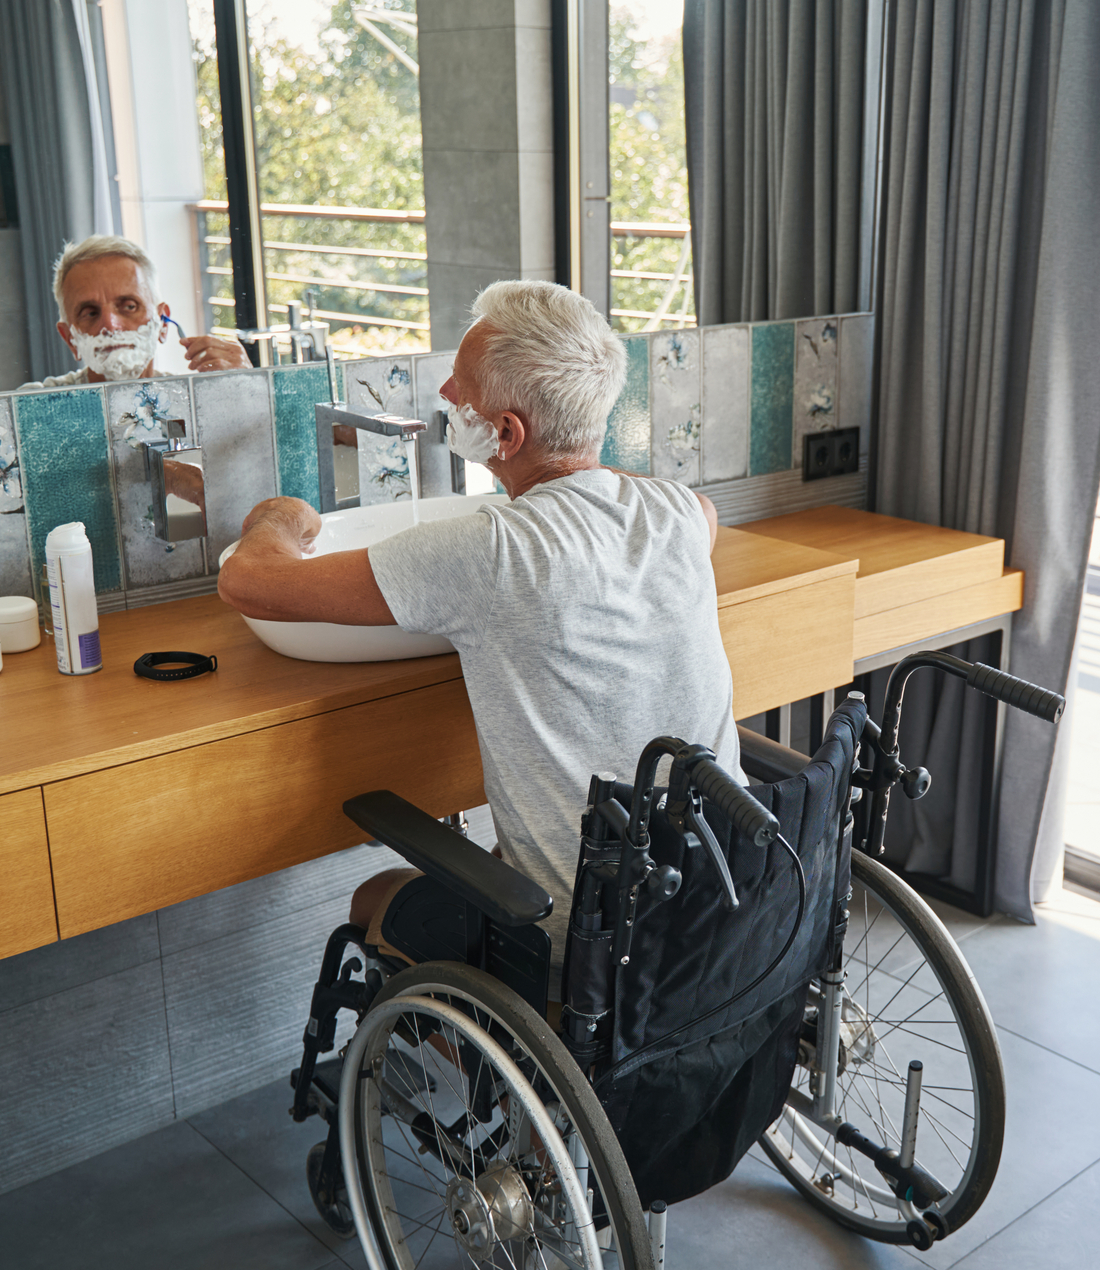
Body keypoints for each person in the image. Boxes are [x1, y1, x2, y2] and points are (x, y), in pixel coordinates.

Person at [217, 280, 739, 993]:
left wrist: (281, 515)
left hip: (576, 947)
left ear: (506, 433)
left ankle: (477, 1057)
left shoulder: (486, 550)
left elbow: (249, 583)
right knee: (499, 849)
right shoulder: (680, 512)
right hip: (718, 909)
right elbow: (662, 507)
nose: (443, 387)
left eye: (460, 385)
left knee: (375, 897)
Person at [21, 234, 250, 389]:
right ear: (70, 338)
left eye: (129, 306)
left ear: (162, 324)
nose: (110, 325)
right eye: (90, 313)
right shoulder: (31, 407)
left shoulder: (196, 401)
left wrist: (252, 388)